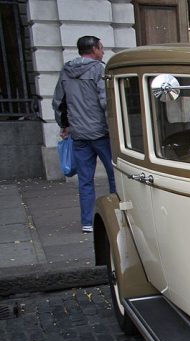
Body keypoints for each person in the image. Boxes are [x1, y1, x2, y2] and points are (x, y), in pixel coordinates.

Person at [52, 36, 116, 233]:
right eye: (101, 48)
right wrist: (113, 126)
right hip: (101, 133)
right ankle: (116, 214)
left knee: (85, 180)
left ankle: (87, 222)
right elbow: (105, 102)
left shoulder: (66, 70)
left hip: (79, 134)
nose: (103, 52)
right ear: (94, 49)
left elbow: (59, 101)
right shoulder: (99, 69)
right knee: (114, 175)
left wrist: (65, 125)